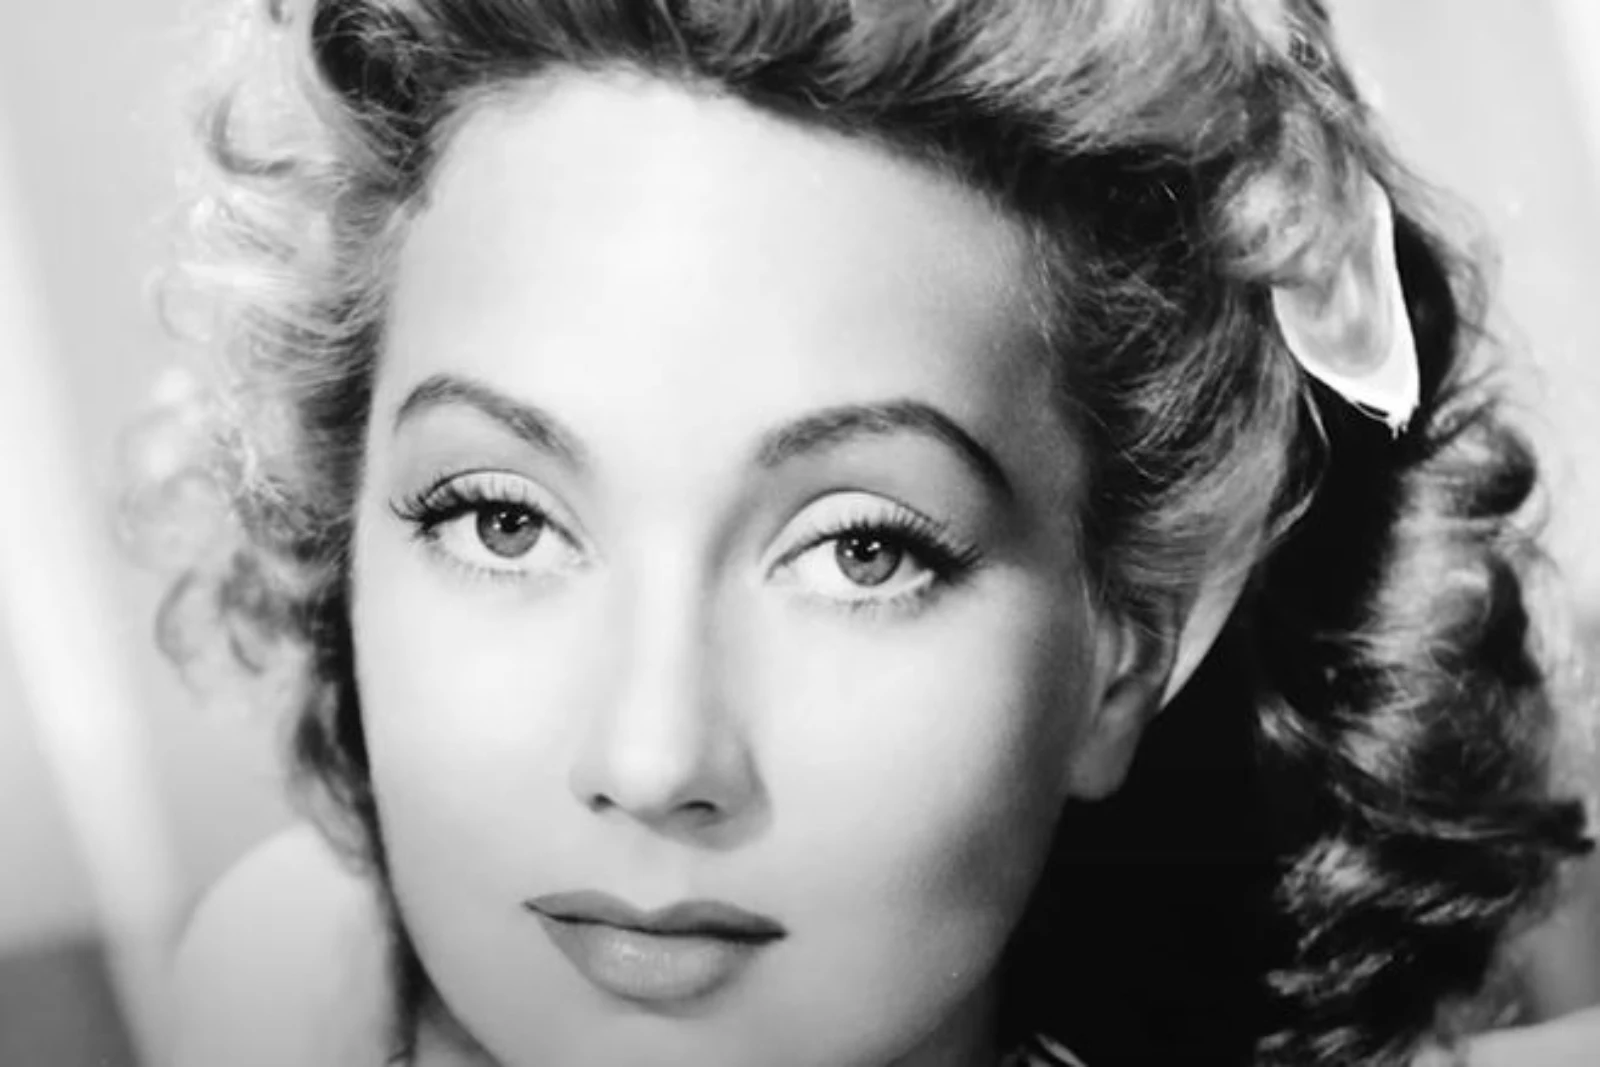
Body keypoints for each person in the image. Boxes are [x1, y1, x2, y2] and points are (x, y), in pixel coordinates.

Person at [137, 1, 1600, 1065]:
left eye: (863, 550)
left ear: (1129, 648)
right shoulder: (290, 993)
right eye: (502, 518)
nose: (653, 760)